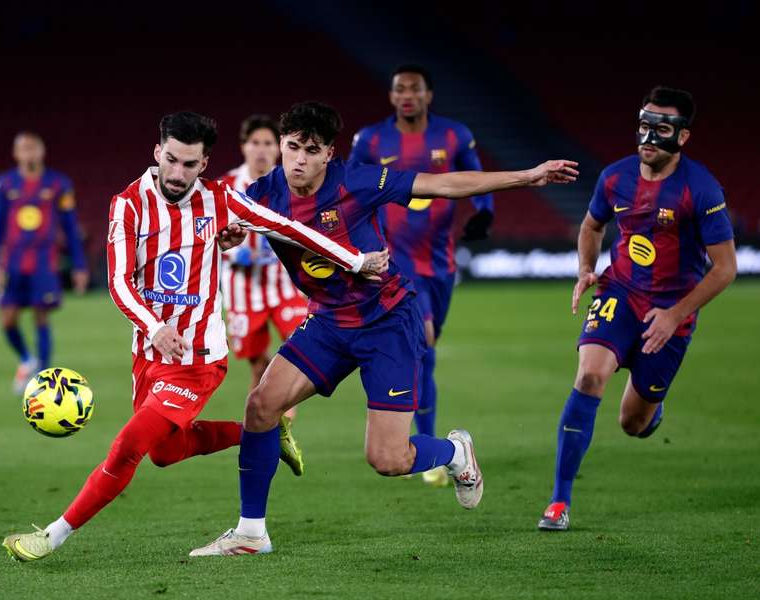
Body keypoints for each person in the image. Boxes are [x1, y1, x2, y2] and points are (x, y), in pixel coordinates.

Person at [190, 101, 578, 556]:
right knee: (261, 406)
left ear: (329, 153)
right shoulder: (263, 192)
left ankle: (455, 453)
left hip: (386, 321)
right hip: (329, 323)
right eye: (291, 147)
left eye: (310, 150)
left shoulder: (358, 180)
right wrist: (231, 235)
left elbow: (442, 184)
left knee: (388, 460)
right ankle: (251, 533)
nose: (298, 159)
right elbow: (225, 222)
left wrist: (527, 176)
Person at [1, 111, 389, 561]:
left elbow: (289, 228)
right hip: (150, 351)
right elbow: (120, 283)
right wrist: (155, 328)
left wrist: (356, 261)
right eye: (171, 160)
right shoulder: (128, 204)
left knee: (129, 445)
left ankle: (51, 536)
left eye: (190, 164)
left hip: (199, 358)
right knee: (165, 452)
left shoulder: (221, 200)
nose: (178, 173)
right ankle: (261, 432)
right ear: (157, 153)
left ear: (204, 164)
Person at [537, 87, 737, 531]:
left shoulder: (701, 189)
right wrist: (586, 269)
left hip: (671, 310)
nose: (648, 136)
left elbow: (725, 269)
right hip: (620, 291)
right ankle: (559, 502)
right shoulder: (615, 177)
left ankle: (651, 412)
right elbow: (592, 226)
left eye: (662, 129)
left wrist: (675, 314)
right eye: (644, 125)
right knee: (589, 375)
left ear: (683, 137)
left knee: (633, 423)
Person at [350, 64, 494, 487]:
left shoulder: (453, 135)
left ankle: (435, 446)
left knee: (427, 349)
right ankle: (427, 450)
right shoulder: (371, 139)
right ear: (391, 96)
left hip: (439, 261)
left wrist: (485, 214)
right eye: (399, 89)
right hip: (394, 260)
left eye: (415, 89)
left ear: (429, 95)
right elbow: (348, 188)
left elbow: (477, 175)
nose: (407, 95)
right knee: (423, 338)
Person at [219, 116, 308, 475]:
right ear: (244, 147)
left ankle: (281, 427)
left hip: (285, 285)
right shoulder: (227, 185)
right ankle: (265, 423)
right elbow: (209, 230)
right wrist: (231, 251)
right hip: (244, 291)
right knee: (258, 364)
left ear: (280, 147)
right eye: (255, 142)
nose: (262, 149)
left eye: (268, 143)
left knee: (299, 353)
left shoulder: (292, 184)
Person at [0, 132, 90, 393]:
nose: (29, 153)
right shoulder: (4, 184)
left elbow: (70, 226)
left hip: (44, 262)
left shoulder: (59, 184)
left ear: (42, 151)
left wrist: (79, 265)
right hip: (12, 263)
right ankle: (26, 358)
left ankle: (42, 377)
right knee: (7, 319)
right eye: (24, 148)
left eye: (33, 148)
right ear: (15, 153)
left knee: (41, 316)